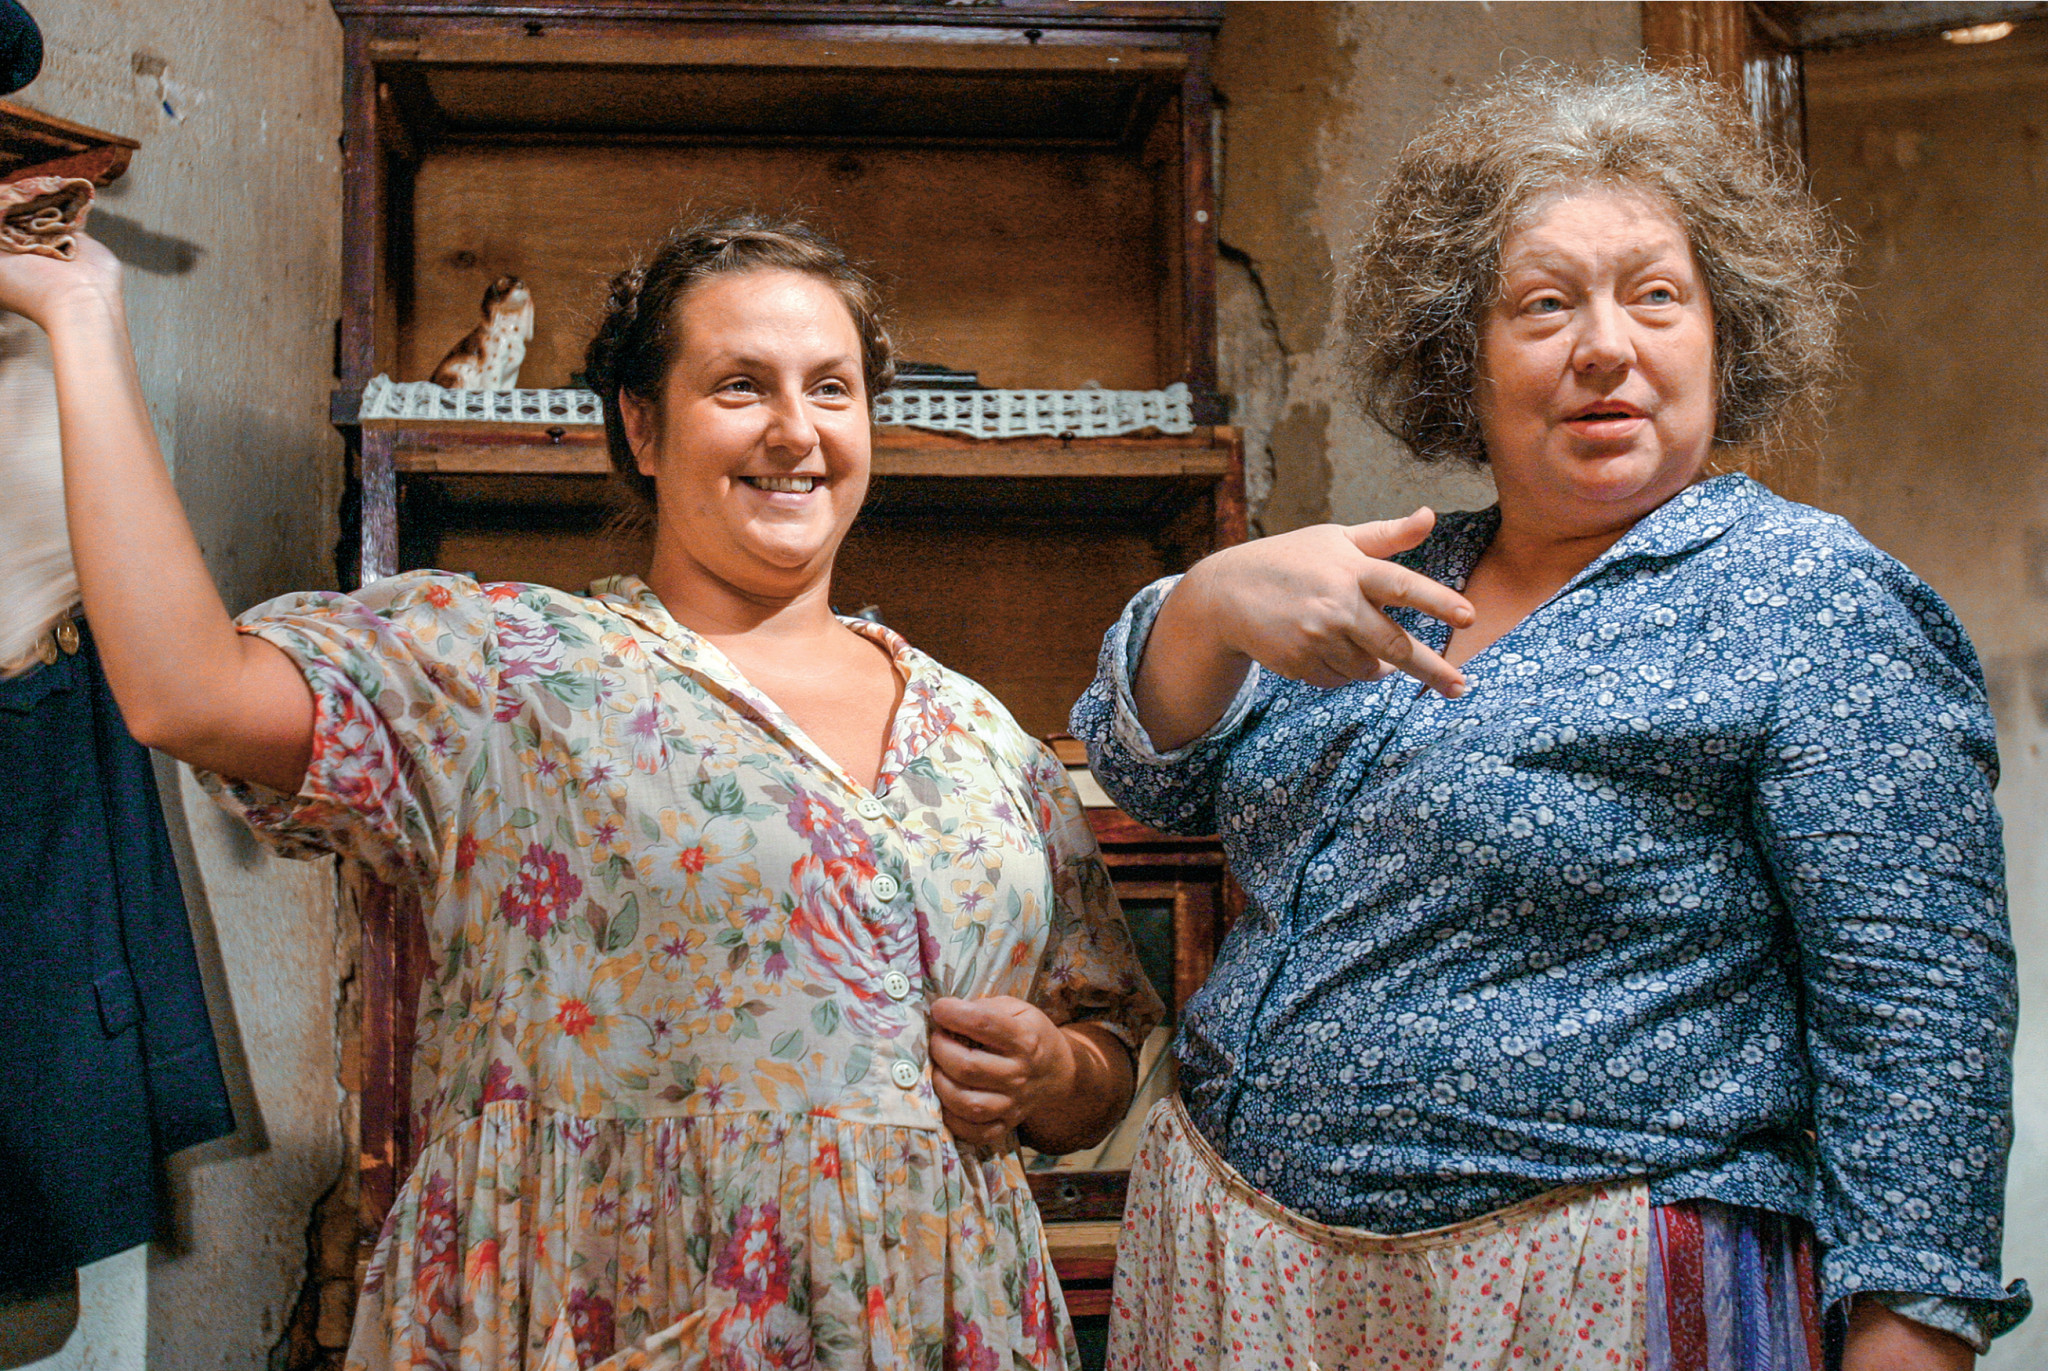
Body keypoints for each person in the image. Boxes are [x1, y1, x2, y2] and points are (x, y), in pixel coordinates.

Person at [0, 212, 1161, 1370]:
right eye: (740, 385)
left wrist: (1055, 1070)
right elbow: (187, 694)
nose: (795, 430)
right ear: (641, 426)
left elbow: (1101, 1042)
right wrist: (81, 312)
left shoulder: (980, 738)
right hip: (595, 1309)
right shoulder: (504, 676)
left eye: (831, 388)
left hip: (939, 1320)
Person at [1071, 66, 2028, 1371]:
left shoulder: (1813, 596)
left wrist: (1910, 1338)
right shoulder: (1389, 569)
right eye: (1542, 303)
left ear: (1725, 335)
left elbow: (1919, 1024)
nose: (1604, 346)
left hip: (1589, 1289)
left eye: (1655, 295)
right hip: (1246, 1275)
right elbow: (1153, 781)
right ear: (1458, 357)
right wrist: (1205, 606)